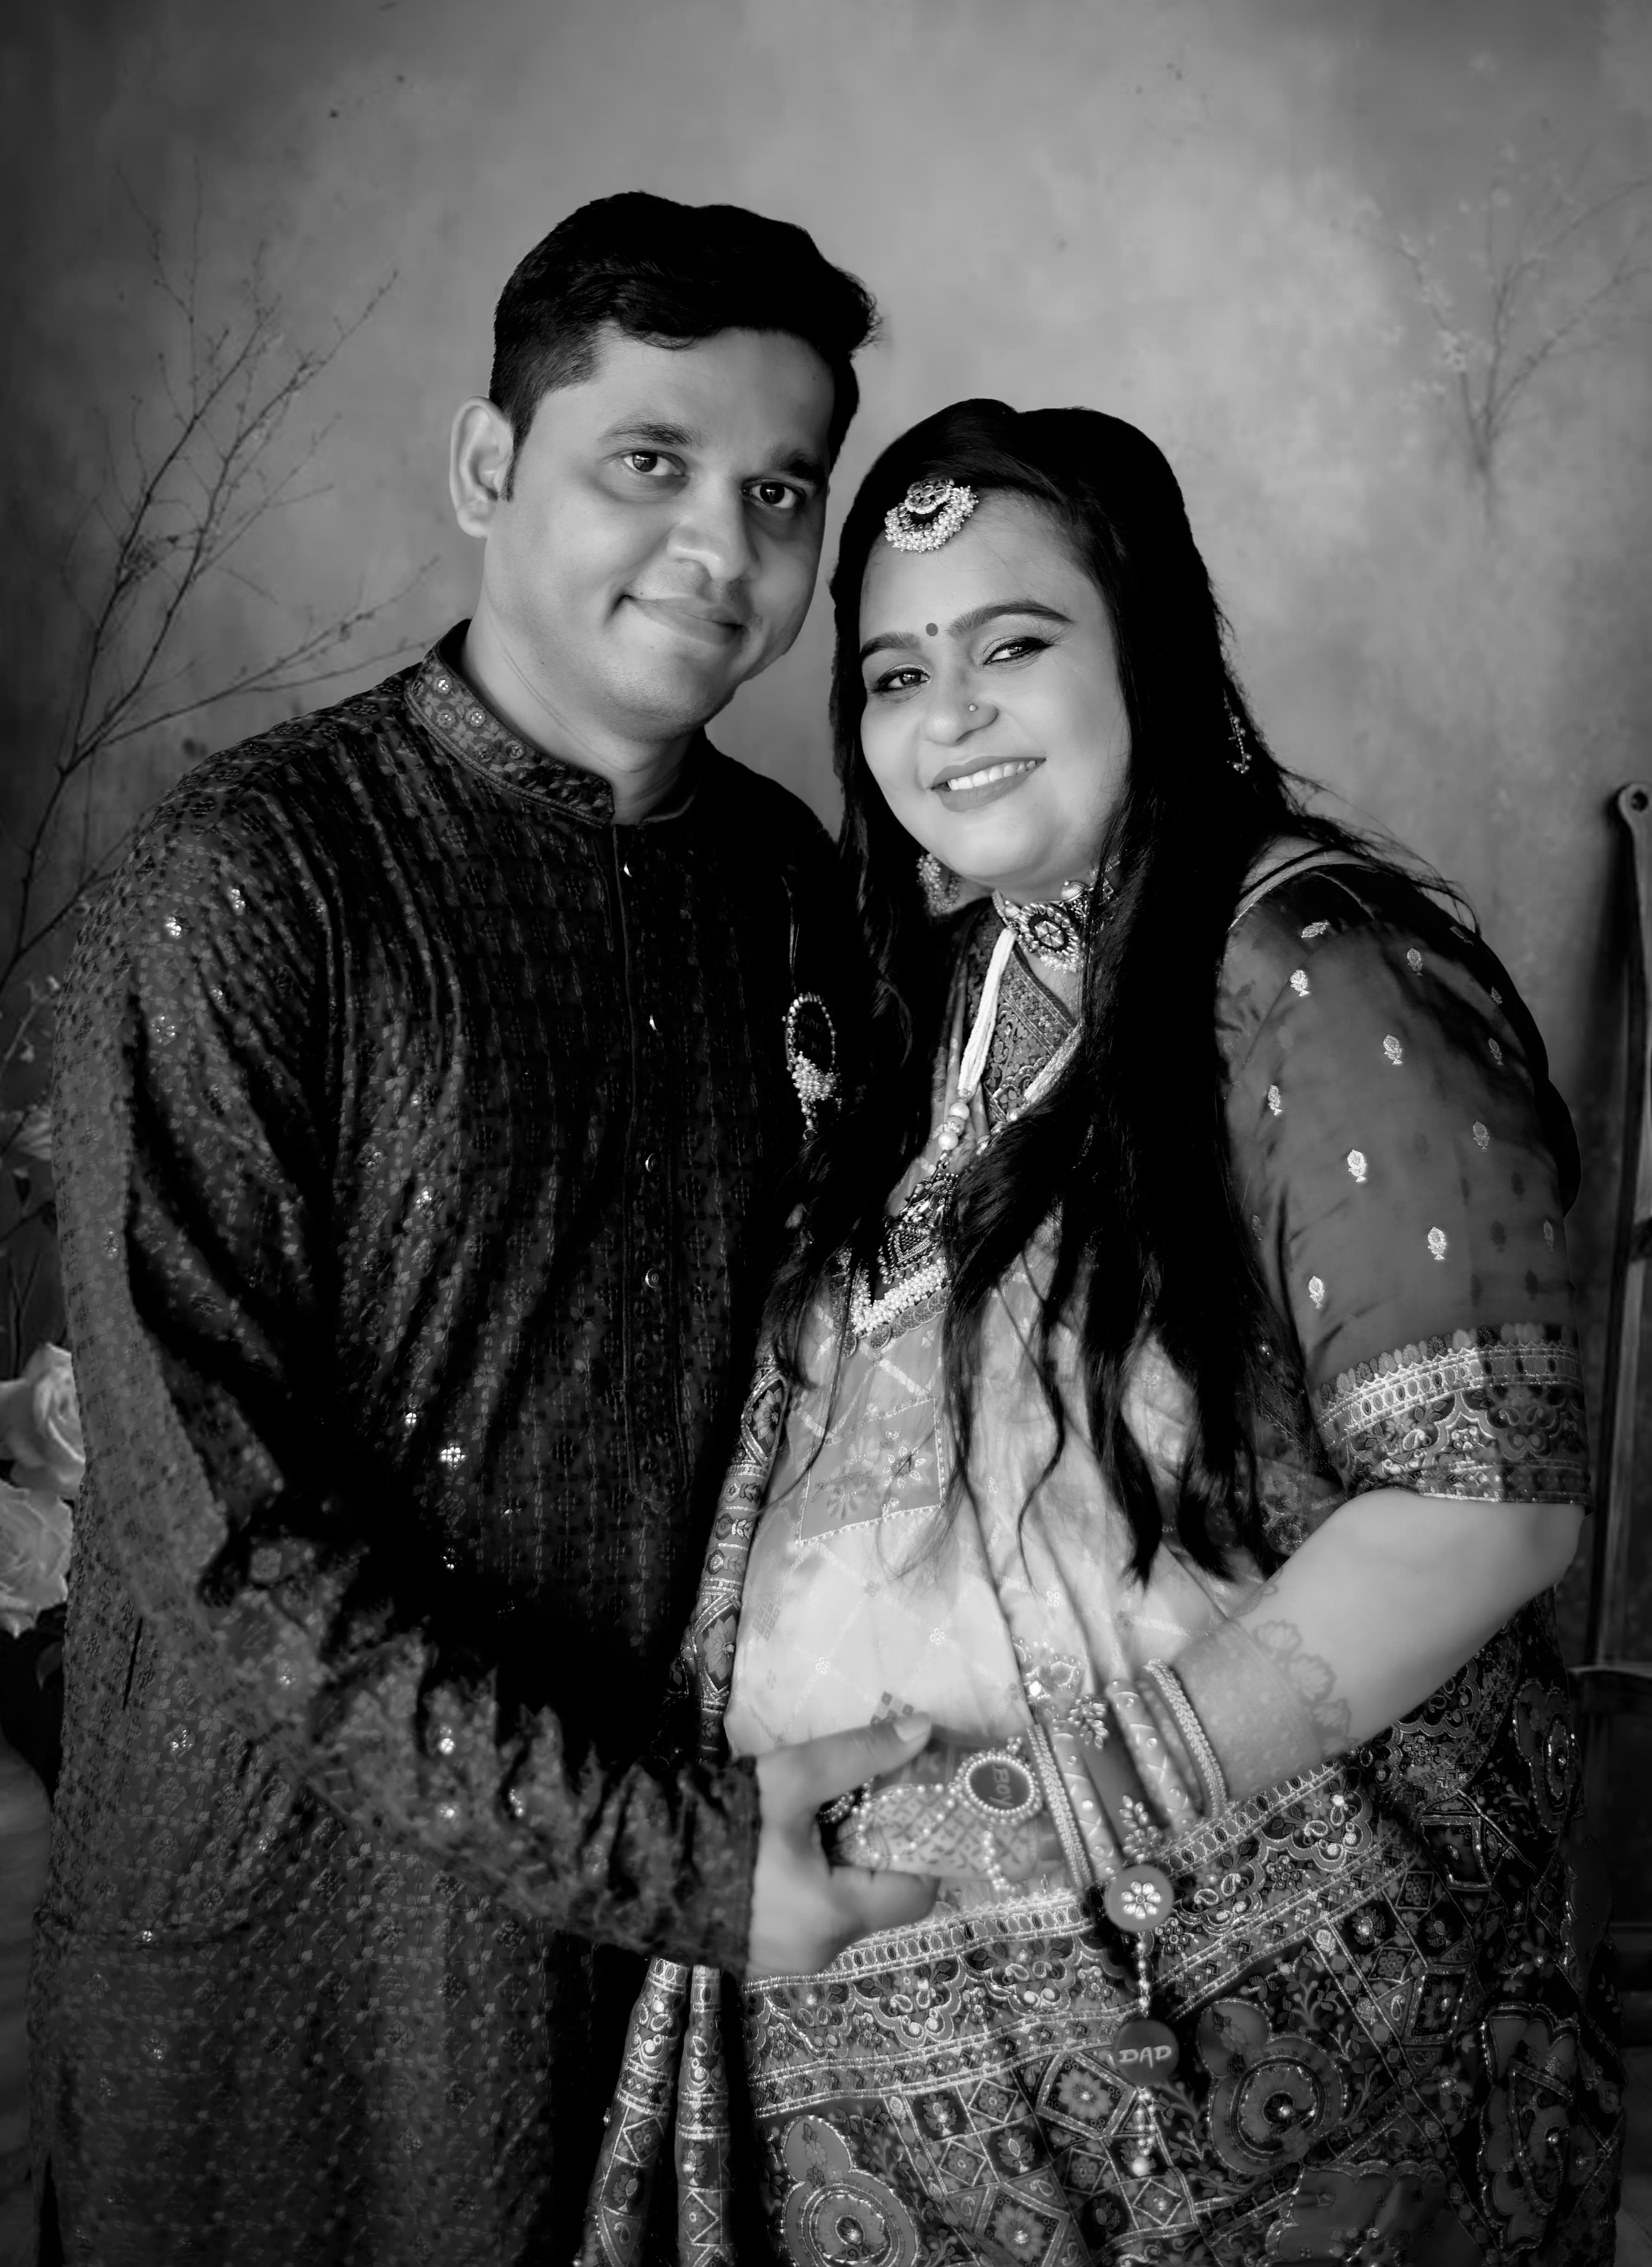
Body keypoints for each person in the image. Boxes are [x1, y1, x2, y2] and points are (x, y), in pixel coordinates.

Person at [583, 400, 1623, 2267]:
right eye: (896, 673)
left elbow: (1485, 1507)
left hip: (1243, 2081)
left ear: (1143, 644)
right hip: (878, 2065)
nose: (949, 714)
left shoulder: (1312, 967)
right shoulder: (933, 1002)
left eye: (1013, 644)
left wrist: (1049, 1803)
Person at [31, 194, 939, 2267]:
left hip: (663, 1926)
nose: (718, 546)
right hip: (284, 1942)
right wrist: (658, 1854)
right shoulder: (250, 883)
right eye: (650, 461)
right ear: (484, 468)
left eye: (779, 491)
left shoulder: (788, 889)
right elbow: (216, 1537)